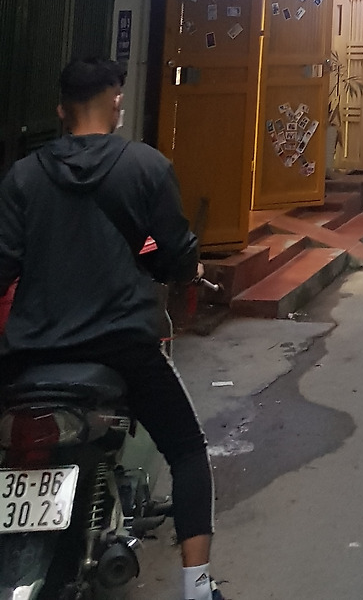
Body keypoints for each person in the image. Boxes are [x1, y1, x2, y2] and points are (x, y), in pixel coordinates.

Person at [0, 59, 219, 600]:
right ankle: (197, 588)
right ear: (116, 100)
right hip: (123, 348)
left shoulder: (23, 176)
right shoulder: (146, 167)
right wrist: (185, 269)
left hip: (31, 354)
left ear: (60, 110)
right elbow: (174, 253)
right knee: (188, 451)